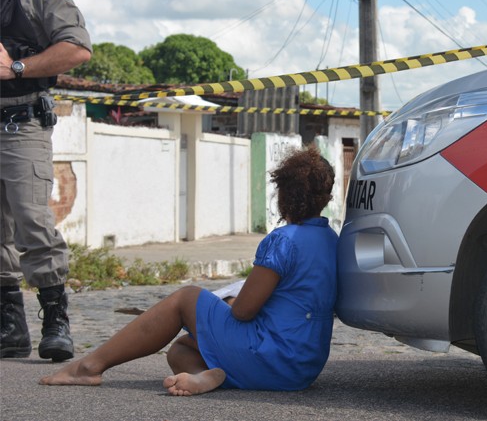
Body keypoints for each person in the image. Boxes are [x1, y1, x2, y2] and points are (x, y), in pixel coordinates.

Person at [40, 147, 338, 395]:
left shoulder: (283, 240)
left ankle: (88, 367)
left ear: (283, 193)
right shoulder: (331, 240)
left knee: (187, 298)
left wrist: (230, 302)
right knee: (181, 349)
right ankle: (200, 376)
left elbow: (244, 312)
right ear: (325, 197)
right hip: (302, 369)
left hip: (271, 358)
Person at [0, 0, 92, 362]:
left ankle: (56, 319)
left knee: (31, 221)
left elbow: (77, 48)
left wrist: (17, 67)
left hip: (22, 121)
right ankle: (10, 327)